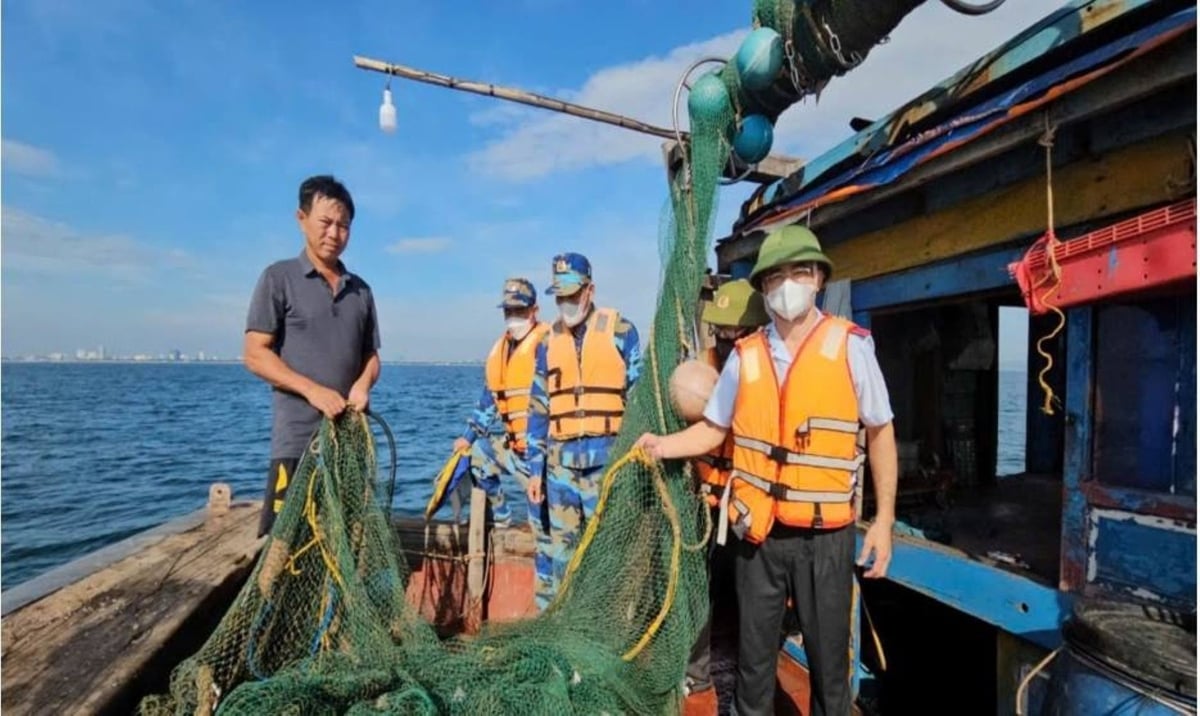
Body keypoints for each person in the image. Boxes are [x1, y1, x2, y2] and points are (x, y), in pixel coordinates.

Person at [636, 225, 898, 716]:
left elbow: (881, 433)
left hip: (826, 538)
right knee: (754, 669)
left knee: (830, 673)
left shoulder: (851, 346)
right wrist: (662, 445)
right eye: (775, 276)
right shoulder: (744, 357)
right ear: (763, 289)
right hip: (758, 537)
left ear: (818, 278)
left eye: (799, 272)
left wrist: (883, 521)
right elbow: (713, 430)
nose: (787, 284)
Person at [244, 175, 381, 538]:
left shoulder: (361, 291)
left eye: (344, 226)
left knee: (348, 541)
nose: (334, 233)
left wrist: (363, 384)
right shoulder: (278, 278)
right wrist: (313, 391)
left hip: (349, 443)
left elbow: (371, 356)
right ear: (301, 218)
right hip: (296, 444)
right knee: (286, 547)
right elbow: (255, 355)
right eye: (326, 223)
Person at [524, 252, 641, 611]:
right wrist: (535, 470)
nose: (566, 303)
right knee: (562, 555)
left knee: (609, 552)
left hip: (607, 465)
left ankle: (611, 628)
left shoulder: (622, 331)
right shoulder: (546, 342)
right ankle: (566, 627)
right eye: (560, 296)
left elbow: (639, 400)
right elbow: (538, 407)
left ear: (590, 290)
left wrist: (633, 460)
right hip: (559, 468)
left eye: (573, 295)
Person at [683, 278, 770, 713]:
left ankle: (747, 689)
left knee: (752, 603)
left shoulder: (767, 372)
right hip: (707, 503)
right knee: (702, 592)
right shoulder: (702, 372)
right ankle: (696, 674)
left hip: (748, 509)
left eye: (738, 332)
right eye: (721, 332)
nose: (728, 339)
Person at [452, 277, 553, 603]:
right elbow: (488, 403)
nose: (513, 317)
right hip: (513, 449)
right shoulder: (498, 351)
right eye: (508, 310)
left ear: (534, 310)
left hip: (544, 458)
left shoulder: (548, 343)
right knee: (478, 457)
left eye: (519, 310)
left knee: (545, 536)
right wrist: (467, 437)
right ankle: (504, 519)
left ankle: (546, 601)